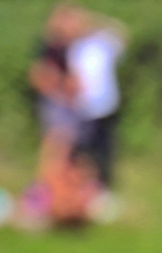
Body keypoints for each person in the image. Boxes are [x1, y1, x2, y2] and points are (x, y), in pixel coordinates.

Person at [50, 6, 127, 193]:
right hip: (82, 108)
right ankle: (81, 190)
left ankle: (104, 190)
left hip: (106, 106)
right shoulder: (73, 48)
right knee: (81, 154)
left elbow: (121, 31)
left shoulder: (103, 42)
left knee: (104, 152)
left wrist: (91, 20)